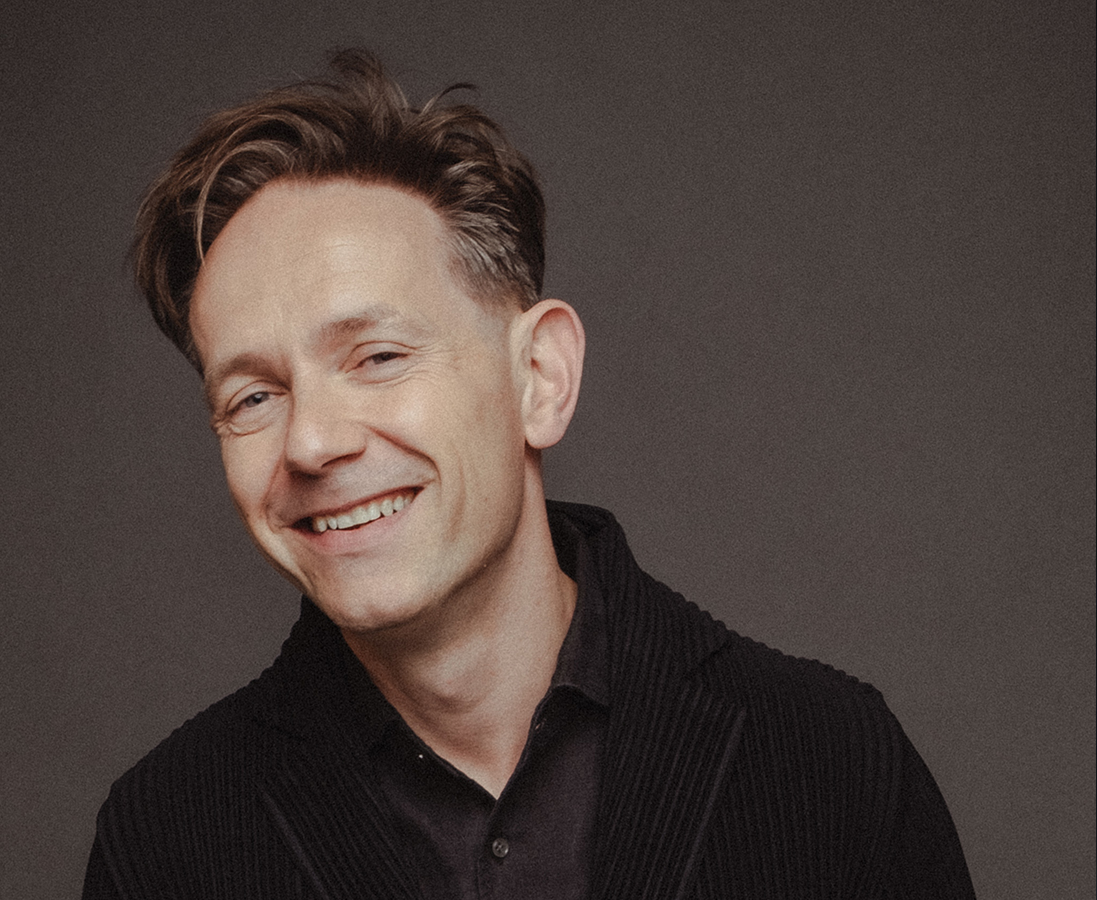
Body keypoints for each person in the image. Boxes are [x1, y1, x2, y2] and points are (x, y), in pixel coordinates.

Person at [83, 50, 976, 898]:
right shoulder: (163, 843)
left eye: (379, 356)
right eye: (251, 398)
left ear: (538, 378)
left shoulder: (831, 765)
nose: (312, 444)